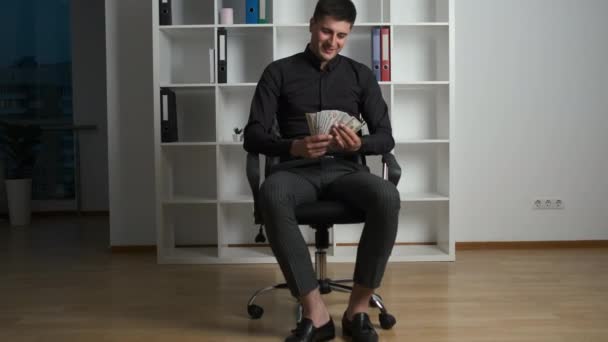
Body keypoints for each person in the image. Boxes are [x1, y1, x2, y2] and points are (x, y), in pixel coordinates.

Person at [243, 0, 400, 341]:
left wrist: (359, 145)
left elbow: (386, 136)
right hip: (296, 170)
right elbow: (253, 134)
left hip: (346, 171)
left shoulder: (360, 75)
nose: (333, 41)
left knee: (387, 194)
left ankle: (357, 310)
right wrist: (291, 146)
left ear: (349, 34)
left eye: (342, 35)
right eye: (327, 31)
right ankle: (316, 313)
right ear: (312, 24)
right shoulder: (278, 72)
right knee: (272, 191)